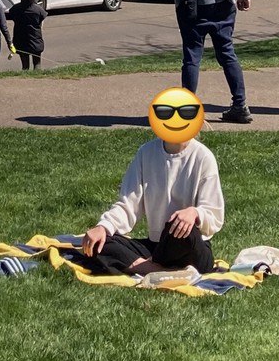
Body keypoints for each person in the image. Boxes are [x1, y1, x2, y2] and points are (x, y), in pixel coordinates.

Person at [79, 111, 225, 276]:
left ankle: (146, 267)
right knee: (98, 243)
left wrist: (194, 213)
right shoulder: (146, 152)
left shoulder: (203, 157)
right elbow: (128, 205)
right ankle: (158, 271)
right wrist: (103, 227)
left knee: (181, 228)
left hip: (189, 247)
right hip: (155, 247)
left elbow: (214, 215)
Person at [8, 0, 47, 69]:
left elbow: (12, 16)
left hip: (20, 41)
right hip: (35, 40)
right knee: (37, 64)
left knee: (25, 66)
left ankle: (25, 77)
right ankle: (38, 77)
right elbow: (41, 20)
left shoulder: (15, 8)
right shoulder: (38, 10)